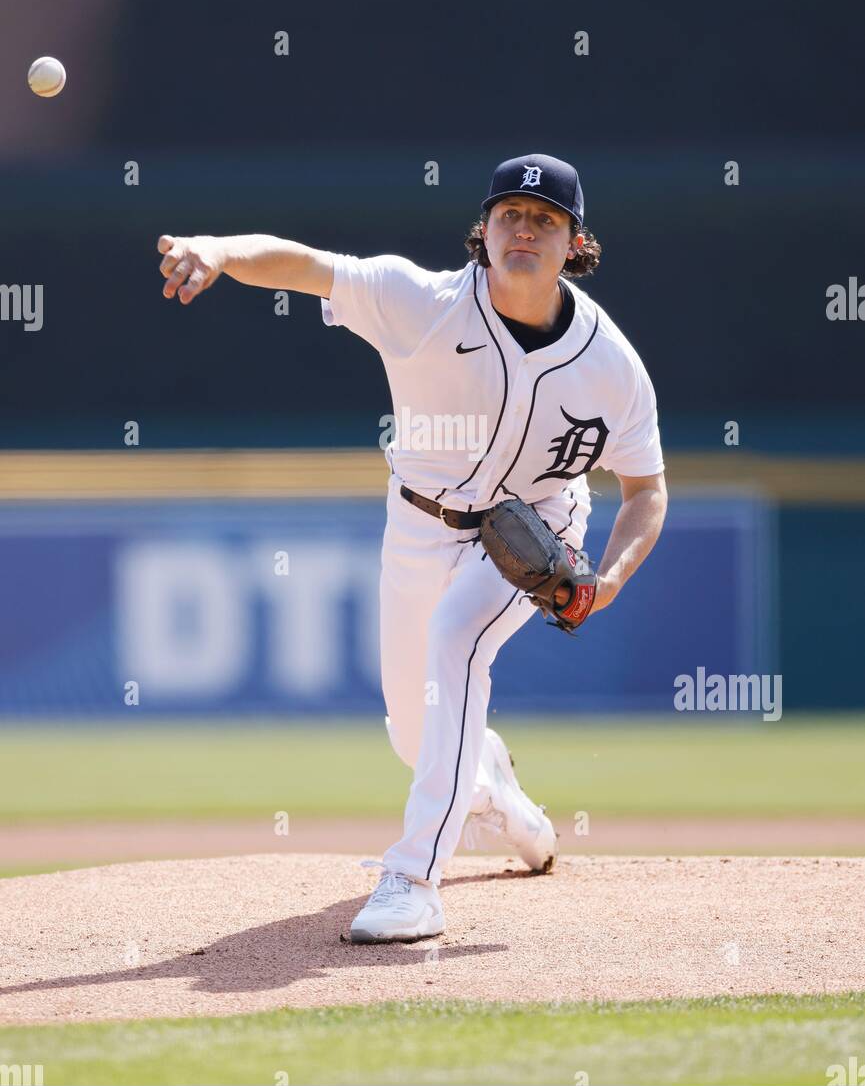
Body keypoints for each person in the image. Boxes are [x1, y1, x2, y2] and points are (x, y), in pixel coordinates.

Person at [157, 152, 667, 943]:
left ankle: (415, 878)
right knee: (412, 730)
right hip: (419, 525)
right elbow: (308, 267)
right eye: (510, 215)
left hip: (533, 533)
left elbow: (647, 490)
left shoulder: (612, 364)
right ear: (484, 231)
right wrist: (219, 251)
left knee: (456, 642)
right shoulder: (419, 301)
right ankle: (493, 789)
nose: (524, 229)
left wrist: (608, 579)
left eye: (545, 220)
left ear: (575, 243)